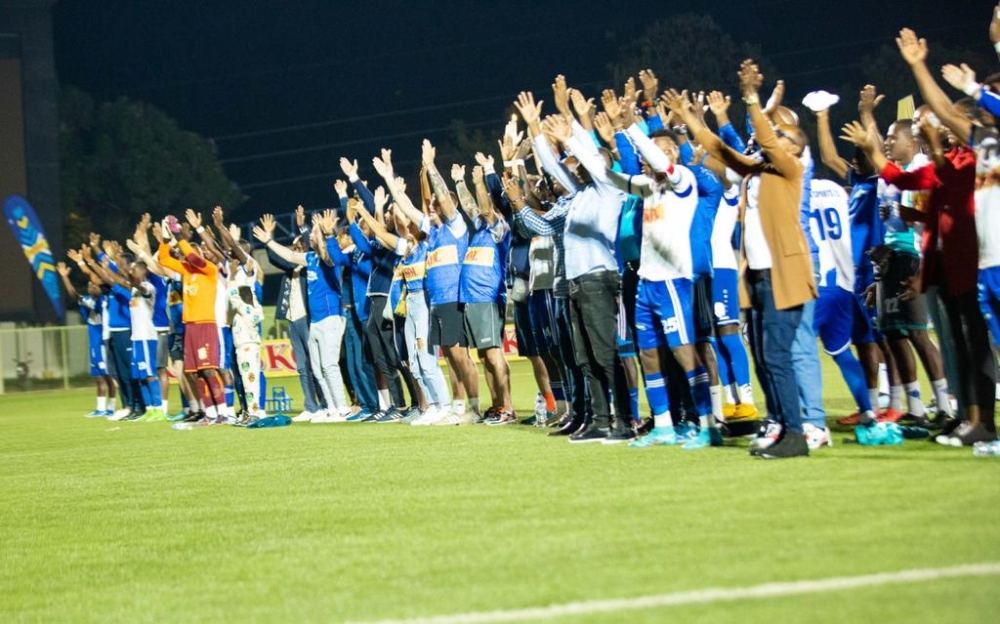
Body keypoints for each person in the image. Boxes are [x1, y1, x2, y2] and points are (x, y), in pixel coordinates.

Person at [667, 59, 817, 459]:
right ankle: (779, 424)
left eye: (783, 135)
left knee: (779, 355)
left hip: (786, 274)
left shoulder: (790, 168)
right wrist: (689, 122)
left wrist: (751, 99)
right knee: (765, 357)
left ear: (796, 147)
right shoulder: (756, 171)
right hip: (759, 277)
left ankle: (796, 434)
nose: (773, 139)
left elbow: (766, 140)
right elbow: (720, 149)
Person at [253, 211, 353, 423]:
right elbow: (289, 256)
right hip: (315, 321)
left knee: (329, 365)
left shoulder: (329, 260)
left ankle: (342, 408)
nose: (312, 237)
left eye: (314, 234)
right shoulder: (310, 258)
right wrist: (269, 241)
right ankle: (331, 408)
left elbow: (327, 254)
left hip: (331, 317)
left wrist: (326, 234)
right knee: (316, 367)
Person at [157, 219, 227, 425]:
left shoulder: (209, 269)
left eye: (188, 253)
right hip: (190, 326)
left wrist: (180, 237)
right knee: (196, 373)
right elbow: (163, 259)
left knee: (209, 370)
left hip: (206, 324)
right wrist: (165, 240)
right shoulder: (186, 270)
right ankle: (210, 414)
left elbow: (194, 258)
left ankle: (222, 413)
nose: (185, 256)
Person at [265, 206, 325, 421]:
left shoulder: (311, 267)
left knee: (316, 364)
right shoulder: (291, 269)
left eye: (299, 246)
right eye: (294, 247)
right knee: (301, 367)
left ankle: (325, 405)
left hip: (307, 319)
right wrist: (268, 238)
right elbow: (274, 258)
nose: (295, 249)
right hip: (292, 320)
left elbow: (311, 247)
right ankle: (310, 406)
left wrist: (303, 227)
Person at [57, 259, 116, 418]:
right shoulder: (90, 301)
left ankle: (111, 407)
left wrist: (69, 274)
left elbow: (77, 294)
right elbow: (74, 295)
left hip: (103, 342)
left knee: (107, 376)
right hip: (94, 343)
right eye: (89, 285)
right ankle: (100, 408)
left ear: (100, 288)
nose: (90, 287)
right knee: (98, 376)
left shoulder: (103, 301)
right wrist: (65, 277)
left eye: (93, 285)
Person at [227, 278, 265, 424]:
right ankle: (251, 411)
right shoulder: (256, 309)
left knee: (249, 381)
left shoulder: (245, 309)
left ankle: (254, 413)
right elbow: (249, 296)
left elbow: (233, 296)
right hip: (249, 347)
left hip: (246, 347)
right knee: (250, 380)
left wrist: (231, 276)